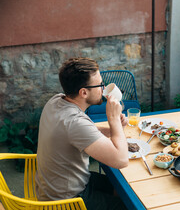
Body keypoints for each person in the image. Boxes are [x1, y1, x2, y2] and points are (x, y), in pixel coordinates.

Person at [35, 57, 129, 210]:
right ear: (84, 92)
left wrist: (114, 130)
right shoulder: (74, 122)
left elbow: (86, 132)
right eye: (100, 85)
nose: (103, 88)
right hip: (65, 200)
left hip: (56, 186)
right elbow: (122, 160)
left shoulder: (56, 100)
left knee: (124, 187)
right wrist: (114, 120)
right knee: (130, 205)